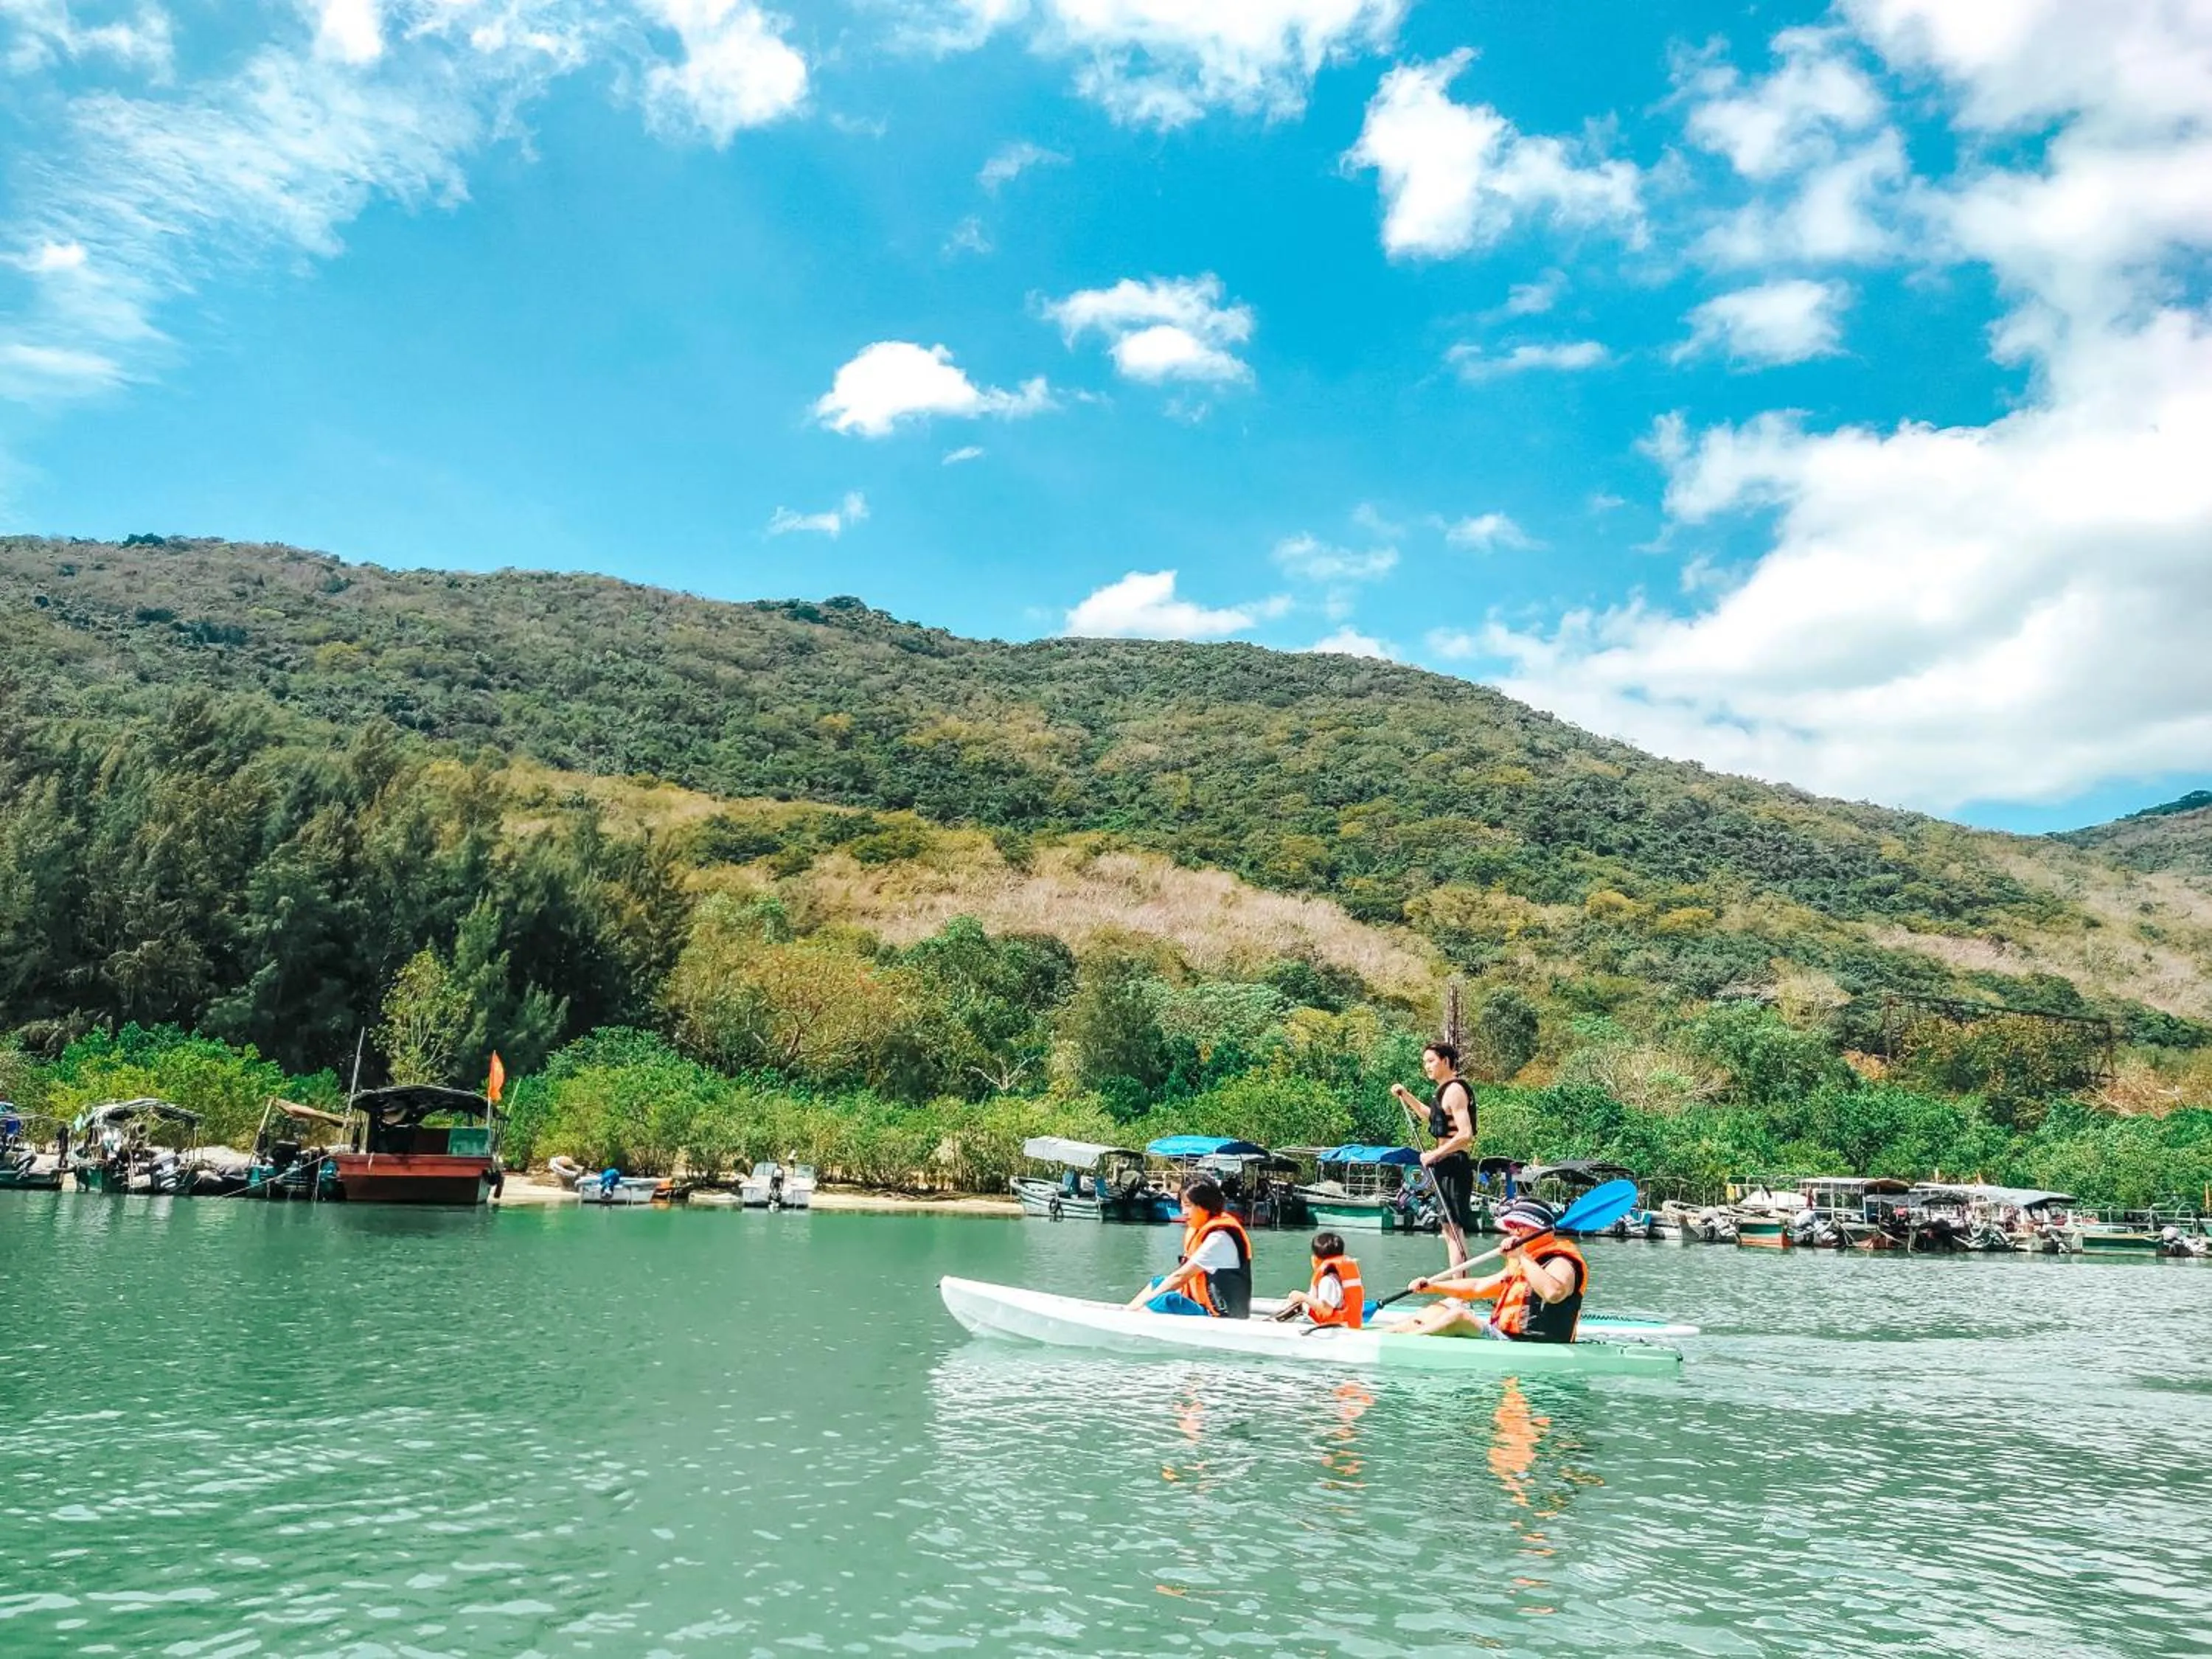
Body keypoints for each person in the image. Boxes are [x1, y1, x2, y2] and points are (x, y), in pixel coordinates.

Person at [1388, 1197, 1587, 1343]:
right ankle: (1383, 1335)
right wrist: (1432, 1286)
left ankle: (1402, 1344)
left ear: (1540, 1229)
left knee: (1460, 1317)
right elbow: (1477, 1287)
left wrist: (1521, 1256)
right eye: (1511, 1225)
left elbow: (1554, 1293)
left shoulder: (1561, 1261)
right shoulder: (1523, 1262)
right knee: (1440, 1308)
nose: (1513, 1230)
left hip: (1533, 1345)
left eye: (1520, 1225)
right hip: (1506, 1336)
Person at [1393, 1040, 1476, 1270]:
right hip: (1443, 1164)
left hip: (1454, 1164)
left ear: (1446, 1061)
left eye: (1431, 1061)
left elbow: (1465, 1134)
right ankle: (1459, 1290)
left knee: (1454, 1228)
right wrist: (1405, 1095)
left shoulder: (1456, 1090)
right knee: (1448, 1229)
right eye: (1424, 1063)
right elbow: (1428, 1115)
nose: (1427, 1067)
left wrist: (1435, 1154)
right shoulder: (1442, 1093)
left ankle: (1461, 1293)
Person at [1125, 1178, 1253, 1318]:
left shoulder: (1219, 1239)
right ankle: (1128, 1313)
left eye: (1188, 1206)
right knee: (1159, 1282)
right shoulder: (1203, 1231)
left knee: (1168, 1301)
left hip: (1221, 1316)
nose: (1183, 1212)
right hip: (1202, 1305)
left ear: (1206, 1207)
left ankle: (1132, 1317)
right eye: (1182, 1206)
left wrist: (1145, 1302)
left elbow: (1180, 1277)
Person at [1279, 1231, 1366, 1329]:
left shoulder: (1328, 1281)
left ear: (1316, 1259)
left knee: (1298, 1299)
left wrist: (1302, 1297)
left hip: (1336, 1329)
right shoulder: (1337, 1276)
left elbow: (1326, 1310)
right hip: (1347, 1326)